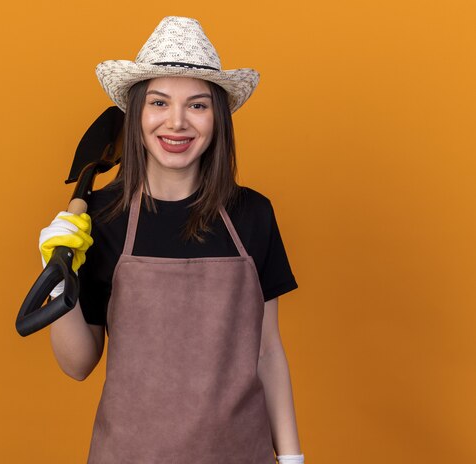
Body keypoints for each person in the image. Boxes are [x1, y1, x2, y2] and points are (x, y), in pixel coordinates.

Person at [39, 16, 305, 464]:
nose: (177, 123)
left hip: (239, 454)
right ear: (137, 113)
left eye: (197, 105)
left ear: (217, 118)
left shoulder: (252, 214)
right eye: (159, 102)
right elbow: (78, 364)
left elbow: (267, 349)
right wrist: (56, 277)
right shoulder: (101, 220)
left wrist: (293, 458)